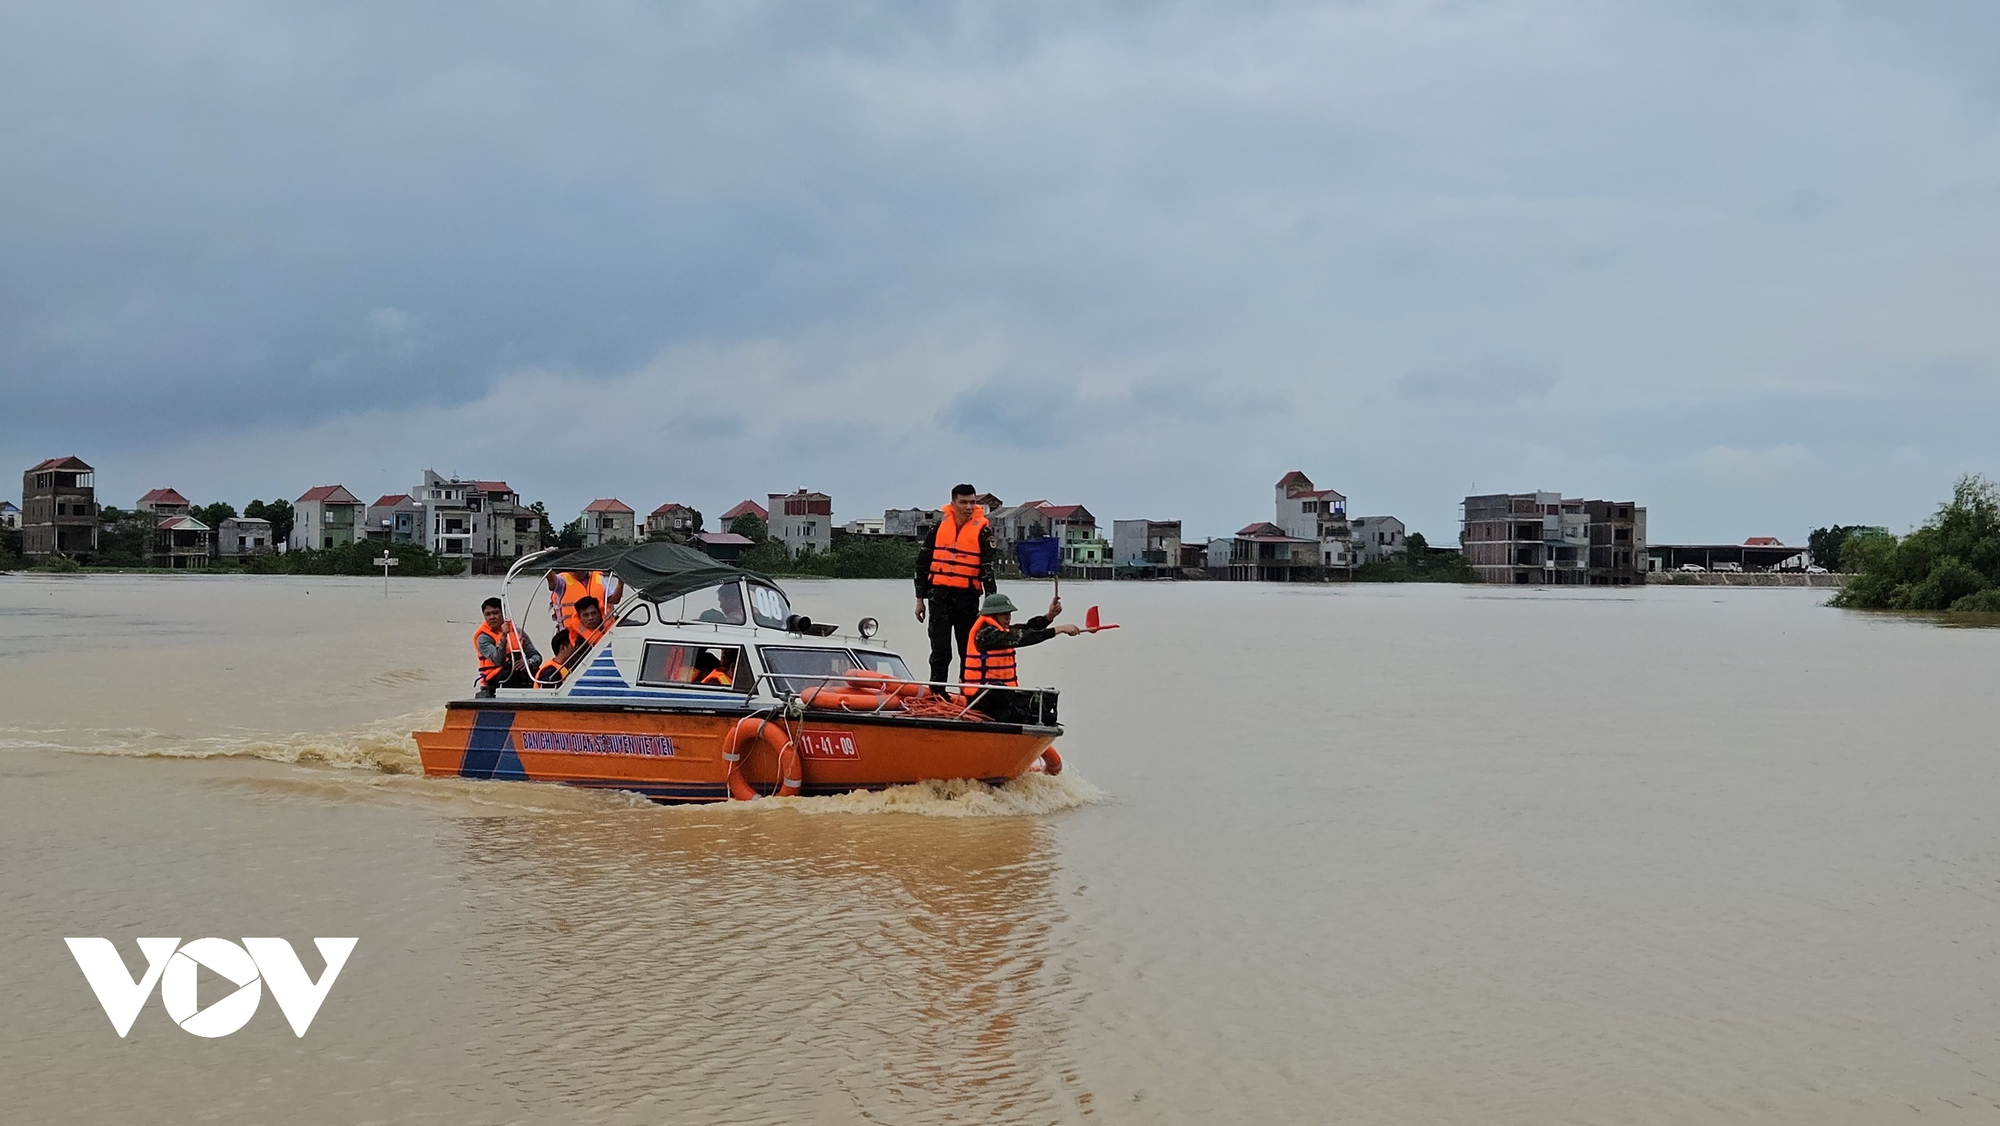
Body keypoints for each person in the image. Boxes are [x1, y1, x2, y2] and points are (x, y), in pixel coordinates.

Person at [914, 484, 998, 684]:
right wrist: (919, 599)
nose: (968, 507)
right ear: (953, 503)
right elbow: (923, 564)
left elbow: (988, 570)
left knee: (968, 650)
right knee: (940, 651)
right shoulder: (937, 529)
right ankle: (937, 692)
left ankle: (967, 693)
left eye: (972, 502)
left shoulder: (983, 532)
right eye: (963, 502)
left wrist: (991, 606)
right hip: (939, 597)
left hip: (967, 598)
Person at [960, 591, 1079, 725]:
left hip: (1006, 696)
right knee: (997, 690)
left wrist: (1048, 617)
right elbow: (1023, 637)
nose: (1008, 617)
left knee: (1046, 698)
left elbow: (1027, 628)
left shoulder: (1002, 631)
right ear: (991, 615)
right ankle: (1017, 718)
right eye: (1003, 613)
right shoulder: (984, 636)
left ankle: (1027, 718)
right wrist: (1059, 629)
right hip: (980, 698)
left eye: (1009, 613)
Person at [474, 597, 542, 697]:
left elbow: (536, 655)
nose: (492, 617)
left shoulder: (518, 632)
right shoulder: (483, 638)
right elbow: (498, 660)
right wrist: (503, 637)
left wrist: (528, 662)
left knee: (541, 673)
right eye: (488, 614)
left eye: (495, 613)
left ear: (503, 614)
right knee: (509, 675)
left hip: (519, 671)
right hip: (495, 677)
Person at [549, 569, 621, 638]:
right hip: (572, 635)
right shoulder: (562, 580)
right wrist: (546, 567)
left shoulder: (598, 578)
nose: (575, 570)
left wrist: (621, 583)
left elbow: (614, 600)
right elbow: (553, 582)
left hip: (600, 632)